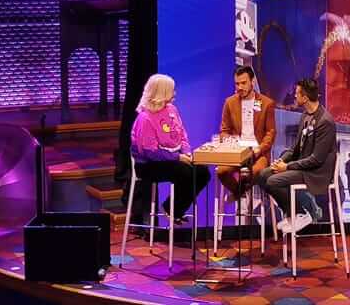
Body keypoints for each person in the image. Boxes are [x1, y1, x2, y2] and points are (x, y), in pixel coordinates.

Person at [257, 79, 336, 234]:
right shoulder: (305, 116)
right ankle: (292, 214)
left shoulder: (325, 121)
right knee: (263, 175)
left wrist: (287, 167)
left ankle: (301, 213)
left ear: (305, 97)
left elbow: (316, 160)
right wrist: (281, 161)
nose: (294, 96)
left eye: (297, 93)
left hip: (316, 172)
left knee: (273, 181)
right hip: (303, 167)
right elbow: (295, 149)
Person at [129, 74, 209, 225]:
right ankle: (172, 209)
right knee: (185, 172)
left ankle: (174, 209)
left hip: (173, 159)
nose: (175, 93)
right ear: (162, 92)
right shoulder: (145, 118)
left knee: (202, 172)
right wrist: (178, 158)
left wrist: (186, 153)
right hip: (148, 165)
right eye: (172, 90)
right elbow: (150, 152)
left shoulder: (171, 109)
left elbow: (182, 134)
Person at [217, 66, 275, 210]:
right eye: (237, 84)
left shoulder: (267, 103)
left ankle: (238, 193)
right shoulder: (229, 102)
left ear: (252, 81)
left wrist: (259, 149)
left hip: (258, 153)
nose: (240, 87)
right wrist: (232, 144)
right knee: (221, 171)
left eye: (243, 83)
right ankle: (241, 193)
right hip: (237, 152)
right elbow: (224, 130)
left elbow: (270, 133)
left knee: (253, 172)